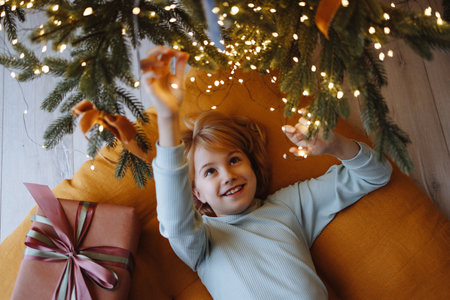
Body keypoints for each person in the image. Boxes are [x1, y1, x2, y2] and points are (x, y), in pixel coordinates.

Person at [141, 46, 392, 300]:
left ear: (251, 164)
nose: (227, 175)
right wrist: (167, 118)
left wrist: (335, 145)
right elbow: (175, 221)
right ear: (196, 193)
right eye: (210, 172)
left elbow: (377, 174)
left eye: (235, 159)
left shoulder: (289, 205)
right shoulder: (202, 241)